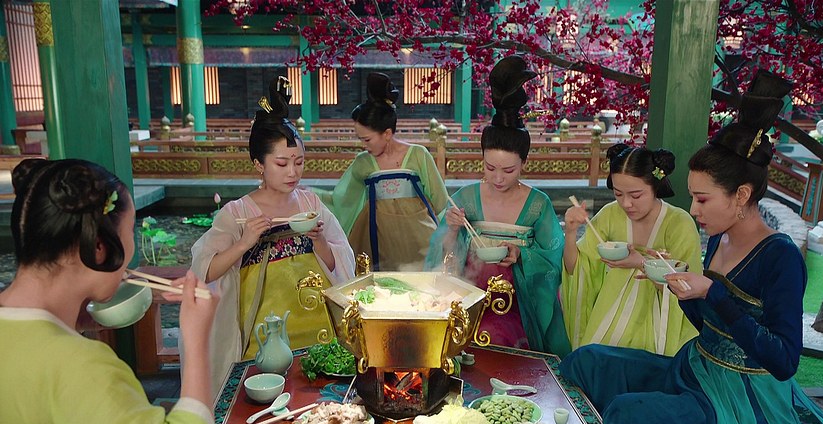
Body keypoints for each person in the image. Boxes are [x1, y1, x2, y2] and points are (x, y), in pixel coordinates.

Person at [560, 70, 823, 424]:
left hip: (740, 394)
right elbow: (708, 323)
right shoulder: (721, 239)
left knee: (630, 414)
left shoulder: (781, 257)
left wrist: (713, 293)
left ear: (741, 194)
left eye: (702, 200)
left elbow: (783, 361)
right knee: (586, 361)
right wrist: (682, 290)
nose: (693, 210)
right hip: (695, 367)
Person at [0, 159, 220, 424]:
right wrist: (195, 343)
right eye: (130, 230)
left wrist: (71, 324)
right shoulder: (81, 366)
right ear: (99, 246)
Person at [191, 76, 355, 396]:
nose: (293, 172)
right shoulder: (237, 212)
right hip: (263, 330)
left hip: (316, 324)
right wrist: (244, 243)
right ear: (259, 164)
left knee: (317, 391)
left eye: (299, 162)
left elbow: (340, 261)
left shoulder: (310, 203)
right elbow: (205, 270)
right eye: (282, 163)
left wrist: (320, 240)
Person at [425, 55, 568, 356]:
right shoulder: (465, 197)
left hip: (520, 304)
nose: (498, 178)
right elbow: (441, 259)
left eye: (509, 170)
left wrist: (522, 255)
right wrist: (452, 230)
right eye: (490, 168)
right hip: (470, 298)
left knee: (498, 344)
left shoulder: (537, 204)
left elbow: (553, 261)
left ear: (524, 163)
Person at [560, 144, 701, 356]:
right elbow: (577, 270)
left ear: (655, 186)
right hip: (608, 317)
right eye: (618, 194)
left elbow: (688, 289)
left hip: (659, 325)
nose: (626, 203)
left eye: (636, 195)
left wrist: (642, 263)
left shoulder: (679, 223)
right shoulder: (609, 215)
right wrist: (571, 232)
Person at [318, 72, 448, 271]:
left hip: (418, 238)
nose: (363, 145)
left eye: (367, 139)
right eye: (361, 139)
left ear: (387, 133)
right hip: (375, 238)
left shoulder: (418, 154)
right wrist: (313, 196)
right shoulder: (363, 162)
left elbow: (439, 200)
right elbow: (342, 200)